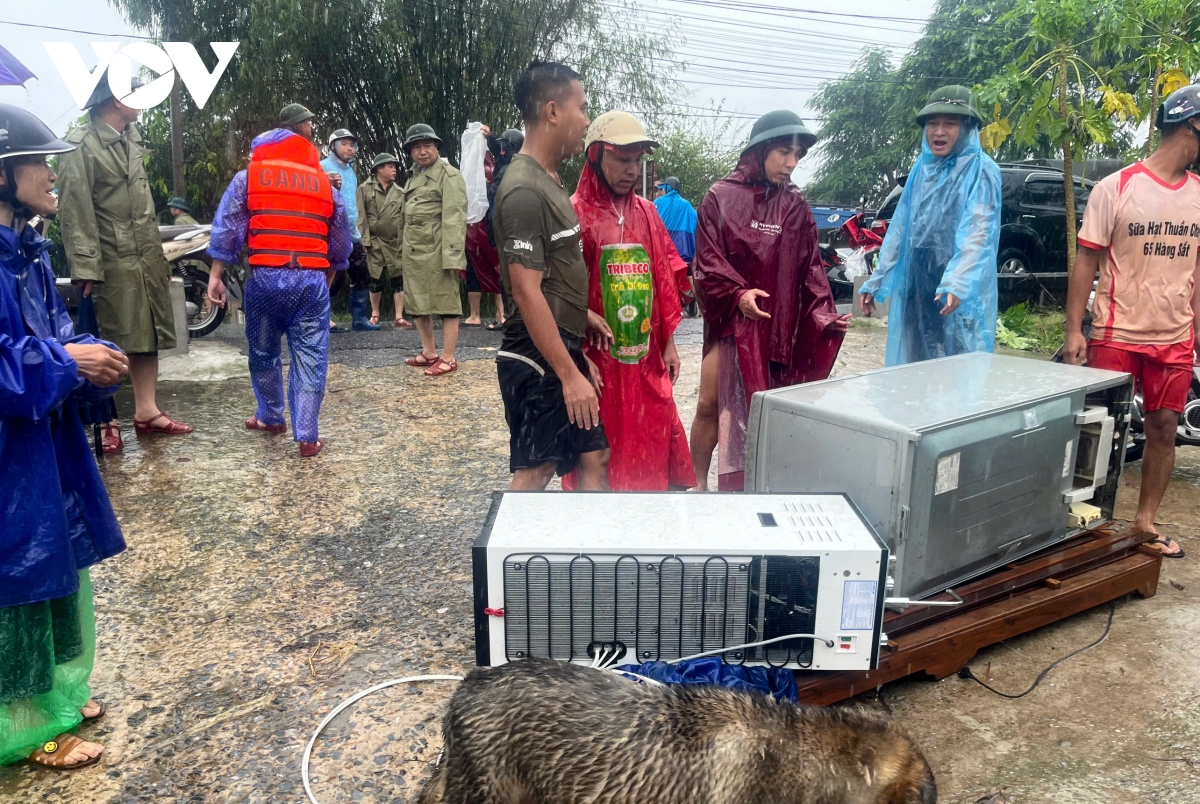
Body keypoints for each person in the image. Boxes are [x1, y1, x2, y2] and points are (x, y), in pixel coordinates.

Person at [0, 104, 128, 771]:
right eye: (38, 162)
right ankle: (21, 730)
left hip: (44, 448)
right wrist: (64, 362)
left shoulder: (28, 251)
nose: (52, 174)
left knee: (57, 568)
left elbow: (49, 336)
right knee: (13, 585)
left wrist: (87, 353)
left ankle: (54, 693)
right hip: (7, 459)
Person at [1063, 83, 1200, 560]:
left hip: (1174, 336)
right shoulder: (1116, 187)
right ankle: (1085, 522)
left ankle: (1145, 523)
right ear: (1191, 126)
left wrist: (1197, 329)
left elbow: (1198, 267)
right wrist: (1073, 329)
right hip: (1115, 331)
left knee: (1164, 429)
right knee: (1100, 429)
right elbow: (1086, 259)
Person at [691, 110, 849, 492]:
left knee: (767, 414)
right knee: (711, 405)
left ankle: (759, 488)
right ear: (760, 150)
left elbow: (810, 268)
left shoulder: (796, 205)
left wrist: (824, 314)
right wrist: (738, 293)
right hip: (731, 322)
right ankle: (698, 485)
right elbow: (707, 261)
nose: (791, 163)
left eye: (797, 155)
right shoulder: (720, 197)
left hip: (777, 329)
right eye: (783, 152)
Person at [57, 71, 192, 453]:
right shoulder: (80, 145)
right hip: (108, 257)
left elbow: (145, 208)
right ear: (116, 99)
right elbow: (74, 209)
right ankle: (106, 419)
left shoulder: (131, 138)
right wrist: (85, 265)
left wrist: (159, 258)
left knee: (146, 332)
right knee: (109, 337)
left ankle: (147, 411)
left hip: (144, 253)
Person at [206, 110, 354, 458]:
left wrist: (215, 275)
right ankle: (307, 436)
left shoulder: (249, 177)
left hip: (264, 280)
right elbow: (341, 239)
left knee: (262, 350)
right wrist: (332, 269)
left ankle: (271, 416)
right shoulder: (322, 182)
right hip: (310, 284)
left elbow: (228, 228)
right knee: (310, 356)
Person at [561, 111, 695, 491]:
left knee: (652, 432)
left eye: (638, 159)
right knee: (601, 448)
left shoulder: (650, 213)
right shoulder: (574, 213)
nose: (632, 169)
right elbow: (554, 291)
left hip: (644, 355)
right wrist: (577, 357)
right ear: (595, 157)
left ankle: (648, 522)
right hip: (599, 358)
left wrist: (668, 344)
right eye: (623, 158)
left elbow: (664, 279)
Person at [493, 60, 610, 490]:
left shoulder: (549, 178)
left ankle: (594, 553)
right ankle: (504, 557)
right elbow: (526, 291)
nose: (586, 120)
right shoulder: (524, 188)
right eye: (581, 107)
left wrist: (582, 318)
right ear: (552, 112)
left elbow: (555, 273)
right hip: (535, 352)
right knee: (537, 469)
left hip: (561, 341)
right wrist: (569, 373)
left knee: (594, 454)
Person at [860, 86, 1001, 366]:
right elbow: (900, 227)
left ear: (968, 127)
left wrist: (957, 281)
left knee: (953, 373)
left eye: (950, 124)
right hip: (917, 283)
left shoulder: (982, 170)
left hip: (954, 293)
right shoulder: (920, 170)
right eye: (933, 123)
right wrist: (877, 279)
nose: (939, 131)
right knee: (914, 370)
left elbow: (979, 232)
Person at [399, 123, 468, 376]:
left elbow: (454, 217)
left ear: (436, 147)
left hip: (438, 251)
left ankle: (448, 358)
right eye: (416, 147)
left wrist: (453, 257)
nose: (422, 151)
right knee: (417, 303)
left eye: (427, 145)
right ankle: (429, 351)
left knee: (447, 303)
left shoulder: (448, 175)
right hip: (414, 252)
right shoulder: (415, 175)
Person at [320, 127, 379, 332]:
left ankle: (360, 319)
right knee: (331, 277)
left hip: (353, 231)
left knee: (362, 273)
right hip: (331, 231)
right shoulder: (321, 166)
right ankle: (323, 319)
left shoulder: (351, 171)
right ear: (333, 146)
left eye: (352, 144)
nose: (350, 148)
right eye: (344, 144)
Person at [464, 126, 522, 329]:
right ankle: (508, 317)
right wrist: (491, 137)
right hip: (509, 228)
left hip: (505, 228)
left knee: (507, 275)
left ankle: (509, 318)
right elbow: (500, 150)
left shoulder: (509, 169)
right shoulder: (514, 163)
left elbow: (493, 192)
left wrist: (476, 187)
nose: (500, 149)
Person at [357, 152, 406, 327]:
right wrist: (365, 240)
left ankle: (399, 316)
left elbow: (403, 219)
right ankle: (375, 314)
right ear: (379, 168)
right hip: (374, 242)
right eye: (390, 166)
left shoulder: (401, 192)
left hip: (394, 243)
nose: (394, 170)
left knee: (398, 278)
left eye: (395, 167)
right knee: (375, 278)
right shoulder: (364, 188)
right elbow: (361, 216)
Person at [653, 175, 699, 317]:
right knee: (690, 277)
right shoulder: (686, 205)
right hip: (683, 253)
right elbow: (697, 224)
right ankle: (703, 306)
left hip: (664, 252)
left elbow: (651, 224)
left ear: (668, 188)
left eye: (662, 189)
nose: (661, 192)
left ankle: (666, 310)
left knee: (662, 280)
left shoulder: (658, 203)